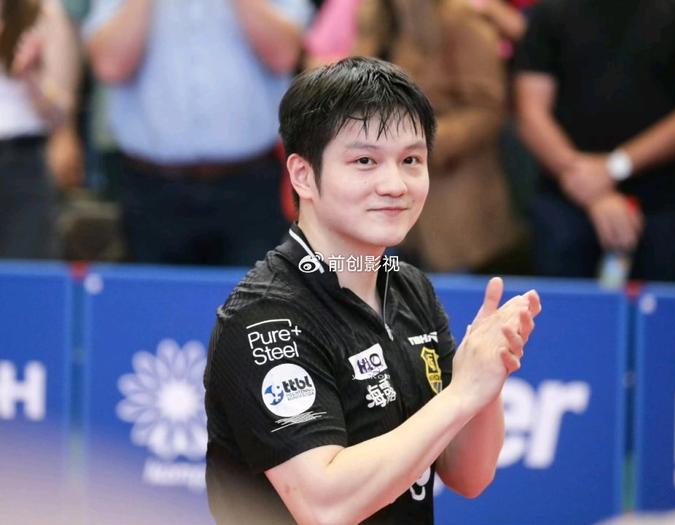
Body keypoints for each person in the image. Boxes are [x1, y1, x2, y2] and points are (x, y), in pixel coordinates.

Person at [204, 57, 541, 525]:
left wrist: (487, 376)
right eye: (365, 161)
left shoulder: (410, 288)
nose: (395, 185)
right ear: (303, 175)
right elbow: (324, 506)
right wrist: (462, 394)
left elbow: (469, 475)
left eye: (411, 161)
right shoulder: (264, 317)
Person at [83, 0, 314, 266]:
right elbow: (109, 66)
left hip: (251, 186)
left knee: (260, 291)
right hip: (151, 189)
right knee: (153, 291)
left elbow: (285, 55)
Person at [514, 0, 675, 281]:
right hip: (564, 201)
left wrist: (614, 167)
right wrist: (590, 188)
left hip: (660, 202)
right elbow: (530, 114)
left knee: (659, 303)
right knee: (562, 304)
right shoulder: (549, 11)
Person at [354, 0, 522, 273]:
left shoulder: (460, 19)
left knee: (448, 291)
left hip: (451, 194)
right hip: (379, 199)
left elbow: (489, 108)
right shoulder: (373, 17)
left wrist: (416, 143)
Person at [0, 0, 81, 259]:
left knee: (27, 266)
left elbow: (61, 113)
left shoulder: (45, 13)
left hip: (22, 160)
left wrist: (31, 77)